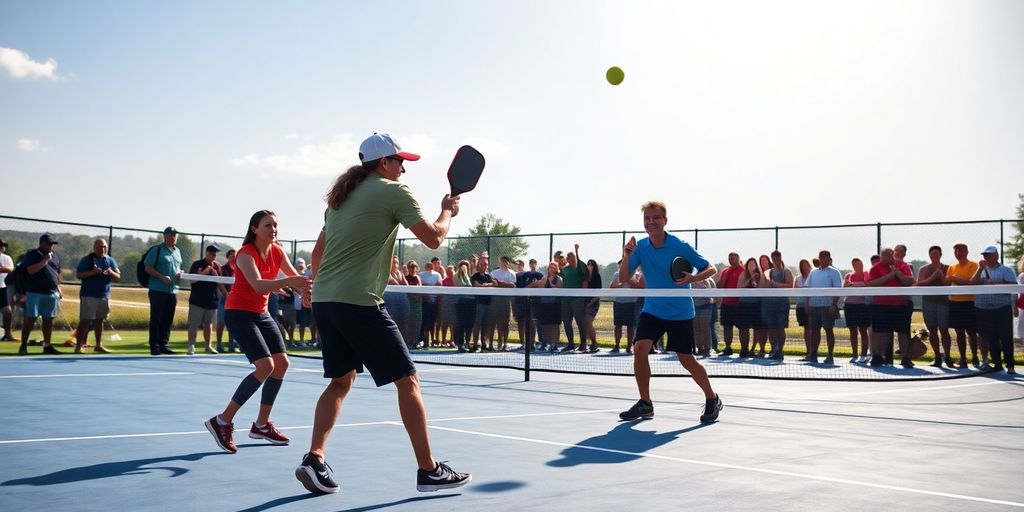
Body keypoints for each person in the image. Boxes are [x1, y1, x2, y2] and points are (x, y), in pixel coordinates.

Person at [299, 133, 470, 494]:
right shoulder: (395, 193)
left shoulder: (338, 201)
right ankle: (429, 470)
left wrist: (320, 287)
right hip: (359, 301)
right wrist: (447, 211)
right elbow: (434, 239)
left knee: (341, 382)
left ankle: (315, 458)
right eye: (399, 161)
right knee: (408, 381)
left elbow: (317, 256)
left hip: (327, 301)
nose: (404, 168)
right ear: (383, 163)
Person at [205, 210, 311, 454]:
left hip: (261, 314)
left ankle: (261, 425)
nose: (273, 229)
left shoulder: (277, 251)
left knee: (281, 363)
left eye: (275, 225)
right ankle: (221, 421)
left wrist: (304, 290)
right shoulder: (245, 254)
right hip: (239, 313)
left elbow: (293, 277)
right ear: (254, 229)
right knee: (265, 367)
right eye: (268, 225)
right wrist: (288, 283)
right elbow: (258, 285)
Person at [618, 201, 722, 423]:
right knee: (640, 348)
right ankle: (645, 403)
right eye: (647, 218)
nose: (651, 222)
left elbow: (710, 268)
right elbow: (625, 277)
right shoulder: (641, 247)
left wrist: (694, 278)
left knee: (687, 360)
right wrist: (627, 254)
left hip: (680, 312)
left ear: (665, 221)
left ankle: (712, 398)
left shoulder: (679, 245)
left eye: (656, 218)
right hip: (653, 308)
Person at [866, 248, 914, 368]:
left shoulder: (903, 266)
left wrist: (898, 273)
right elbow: (871, 283)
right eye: (884, 255)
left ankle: (905, 358)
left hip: (900, 305)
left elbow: (909, 281)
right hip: (881, 305)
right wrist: (890, 276)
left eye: (889, 255)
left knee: (902, 332)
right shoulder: (875, 268)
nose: (887, 257)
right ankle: (877, 356)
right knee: (879, 332)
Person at [972, 246, 1017, 373]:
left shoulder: (1006, 270)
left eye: (989, 255)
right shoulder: (980, 270)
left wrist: (997, 285)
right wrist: (980, 269)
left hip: (1002, 308)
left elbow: (1014, 287)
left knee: (1006, 337)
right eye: (985, 255)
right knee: (991, 338)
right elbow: (972, 283)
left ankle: (1010, 365)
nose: (986, 257)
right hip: (983, 308)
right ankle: (997, 364)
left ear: (996, 256)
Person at [18, 233, 64, 355]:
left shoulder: (55, 257)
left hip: (51, 293)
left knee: (48, 320)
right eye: (49, 244)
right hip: (34, 292)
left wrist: (59, 289)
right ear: (41, 243)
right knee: (30, 319)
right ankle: (23, 345)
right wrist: (45, 260)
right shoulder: (32, 254)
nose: (51, 246)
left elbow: (56, 275)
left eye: (52, 244)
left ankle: (47, 346)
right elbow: (30, 270)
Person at [74, 238, 120, 354]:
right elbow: (79, 275)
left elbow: (118, 277)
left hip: (104, 295)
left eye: (104, 247)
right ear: (94, 247)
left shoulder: (110, 261)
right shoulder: (87, 260)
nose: (102, 249)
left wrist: (111, 272)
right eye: (100, 247)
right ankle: (79, 346)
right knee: (85, 320)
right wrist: (92, 272)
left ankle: (98, 345)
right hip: (89, 295)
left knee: (100, 321)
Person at [144, 227, 184, 355]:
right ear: (165, 236)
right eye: (171, 235)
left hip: (172, 291)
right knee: (156, 318)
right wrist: (162, 277)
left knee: (168, 318)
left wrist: (180, 273)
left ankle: (164, 344)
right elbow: (147, 268)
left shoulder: (177, 251)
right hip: (158, 289)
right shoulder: (157, 250)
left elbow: (177, 267)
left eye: (175, 235)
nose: (173, 237)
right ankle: (154, 345)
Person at [185, 245, 226, 355]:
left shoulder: (217, 266)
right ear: (206, 253)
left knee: (209, 324)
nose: (214, 255)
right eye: (212, 253)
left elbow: (220, 284)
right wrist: (204, 272)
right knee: (194, 324)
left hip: (212, 301)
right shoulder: (197, 264)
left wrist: (215, 275)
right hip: (197, 300)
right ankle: (191, 346)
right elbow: (191, 280)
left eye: (215, 253)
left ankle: (208, 347)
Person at [945, 243, 980, 368]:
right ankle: (963, 359)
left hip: (969, 302)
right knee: (959, 332)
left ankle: (975, 357)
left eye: (960, 251)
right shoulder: (952, 267)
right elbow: (947, 282)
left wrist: (954, 279)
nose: (958, 253)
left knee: (971, 331)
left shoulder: (974, 265)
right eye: (956, 251)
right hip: (955, 303)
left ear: (967, 251)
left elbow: (970, 282)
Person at [916, 246, 951, 367]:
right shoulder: (924, 269)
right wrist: (934, 275)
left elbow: (947, 283)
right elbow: (919, 283)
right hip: (928, 302)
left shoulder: (947, 268)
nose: (934, 256)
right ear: (929, 255)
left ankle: (948, 356)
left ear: (941, 255)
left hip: (943, 302)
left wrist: (940, 275)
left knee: (944, 329)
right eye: (932, 254)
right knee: (932, 329)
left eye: (936, 254)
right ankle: (937, 356)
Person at [804, 250, 842, 364]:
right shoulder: (813, 272)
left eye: (824, 257)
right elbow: (808, 289)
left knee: (828, 330)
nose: (822, 259)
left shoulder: (835, 272)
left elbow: (838, 290)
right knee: (814, 330)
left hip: (827, 306)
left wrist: (833, 304)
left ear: (829, 259)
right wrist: (807, 303)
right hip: (814, 305)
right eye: (820, 257)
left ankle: (830, 355)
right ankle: (813, 354)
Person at [760, 250, 792, 360]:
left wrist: (775, 284)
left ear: (780, 258)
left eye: (777, 258)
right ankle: (774, 349)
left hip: (782, 304)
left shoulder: (786, 272)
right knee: (771, 328)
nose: (775, 260)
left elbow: (790, 285)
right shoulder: (768, 272)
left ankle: (780, 350)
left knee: (780, 328)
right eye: (773, 258)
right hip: (769, 304)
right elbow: (763, 287)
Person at [529, 261, 563, 351]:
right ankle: (545, 343)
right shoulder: (545, 278)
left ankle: (554, 344)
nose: (552, 269)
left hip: (554, 305)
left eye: (554, 267)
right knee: (545, 325)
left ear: (557, 269)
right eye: (550, 267)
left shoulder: (559, 279)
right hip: (544, 304)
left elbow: (559, 289)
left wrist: (552, 285)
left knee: (554, 325)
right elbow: (540, 288)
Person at [559, 243, 587, 352]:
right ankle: (570, 344)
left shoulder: (579, 268)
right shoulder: (565, 270)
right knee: (566, 322)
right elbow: (557, 273)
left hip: (577, 300)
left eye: (571, 257)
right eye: (567, 257)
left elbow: (581, 268)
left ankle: (583, 344)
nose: (568, 258)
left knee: (580, 322)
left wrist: (576, 251)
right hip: (565, 300)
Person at [843, 258, 870, 364]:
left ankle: (863, 355)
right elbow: (844, 288)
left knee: (863, 331)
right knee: (853, 331)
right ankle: (854, 355)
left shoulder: (867, 274)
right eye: (854, 264)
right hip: (850, 305)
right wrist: (849, 285)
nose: (856, 266)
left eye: (858, 264)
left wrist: (855, 285)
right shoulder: (848, 276)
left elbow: (868, 286)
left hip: (863, 306)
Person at [610, 261, 640, 354]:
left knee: (630, 326)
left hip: (631, 303)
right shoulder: (616, 274)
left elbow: (638, 287)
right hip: (618, 302)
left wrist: (628, 280)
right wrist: (620, 284)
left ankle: (629, 347)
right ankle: (617, 346)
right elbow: (611, 286)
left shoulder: (636, 274)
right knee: (617, 325)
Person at [716, 252, 743, 357]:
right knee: (727, 327)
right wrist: (724, 278)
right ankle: (728, 348)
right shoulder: (725, 271)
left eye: (733, 258)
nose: (731, 260)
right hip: (726, 304)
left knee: (742, 328)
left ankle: (744, 349)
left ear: (738, 258)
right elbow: (719, 286)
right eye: (730, 258)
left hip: (739, 305)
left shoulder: (743, 270)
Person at [514, 258, 544, 350]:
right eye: (530, 263)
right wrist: (531, 286)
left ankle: (532, 342)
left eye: (534, 263)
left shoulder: (540, 275)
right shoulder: (525, 275)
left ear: (536, 264)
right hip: (523, 301)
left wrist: (535, 285)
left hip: (535, 301)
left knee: (532, 321)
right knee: (521, 321)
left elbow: (541, 285)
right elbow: (522, 287)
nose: (532, 264)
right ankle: (523, 343)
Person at [734, 257, 761, 359]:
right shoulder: (743, 275)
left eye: (754, 264)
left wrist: (756, 281)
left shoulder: (760, 275)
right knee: (743, 328)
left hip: (756, 305)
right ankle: (744, 349)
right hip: (744, 305)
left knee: (757, 328)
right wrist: (749, 280)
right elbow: (738, 288)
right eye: (750, 264)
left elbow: (762, 287)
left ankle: (753, 349)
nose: (752, 266)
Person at [489, 256, 517, 350]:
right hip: (495, 301)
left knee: (505, 323)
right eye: (502, 261)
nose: (504, 263)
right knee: (493, 322)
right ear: (499, 262)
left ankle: (504, 343)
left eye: (506, 261)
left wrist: (500, 283)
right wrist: (505, 284)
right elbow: (493, 284)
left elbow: (512, 285)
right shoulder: (494, 273)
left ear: (508, 263)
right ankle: (492, 344)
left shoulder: (512, 273)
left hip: (506, 301)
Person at [216, 249, 238, 353]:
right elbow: (220, 284)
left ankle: (232, 344)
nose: (234, 258)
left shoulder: (240, 269)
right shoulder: (223, 268)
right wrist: (227, 295)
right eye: (232, 256)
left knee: (233, 322)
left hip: (236, 300)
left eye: (235, 256)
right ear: (228, 257)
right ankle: (219, 344)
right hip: (224, 299)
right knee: (221, 321)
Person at [418, 260, 442, 348]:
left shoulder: (437, 275)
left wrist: (428, 286)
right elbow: (420, 285)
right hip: (424, 302)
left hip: (434, 302)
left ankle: (432, 340)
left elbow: (439, 284)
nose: (429, 266)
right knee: (424, 322)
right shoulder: (421, 274)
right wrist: (426, 290)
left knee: (432, 322)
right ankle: (423, 340)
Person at [452, 260, 475, 352]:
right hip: (461, 303)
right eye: (463, 265)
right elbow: (461, 285)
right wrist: (464, 274)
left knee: (470, 324)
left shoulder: (470, 276)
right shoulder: (456, 276)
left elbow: (471, 286)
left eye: (466, 266)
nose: (464, 267)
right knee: (461, 324)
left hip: (470, 302)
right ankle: (460, 344)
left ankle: (467, 342)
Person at [582, 258, 602, 353]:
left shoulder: (597, 276)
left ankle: (594, 344)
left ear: (594, 266)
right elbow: (583, 289)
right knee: (585, 324)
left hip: (593, 303)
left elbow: (598, 293)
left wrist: (591, 303)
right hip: (585, 302)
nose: (589, 266)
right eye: (588, 264)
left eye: (591, 264)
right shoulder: (585, 277)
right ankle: (586, 345)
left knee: (588, 322)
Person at [793, 259, 812, 356]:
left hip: (811, 306)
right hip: (800, 306)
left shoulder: (813, 277)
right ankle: (808, 350)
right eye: (802, 265)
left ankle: (813, 351)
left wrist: (808, 304)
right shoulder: (797, 278)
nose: (805, 267)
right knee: (806, 328)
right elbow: (794, 291)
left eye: (806, 265)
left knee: (812, 328)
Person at [0, 239, 14, 341]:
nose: (3, 247)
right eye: (1, 245)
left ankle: (8, 335)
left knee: (7, 312)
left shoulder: (7, 258)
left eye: (3, 245)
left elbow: (10, 269)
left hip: (2, 287)